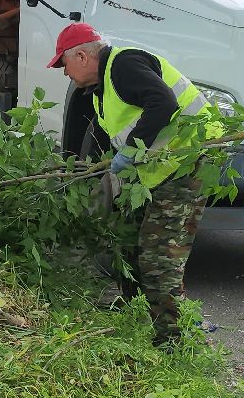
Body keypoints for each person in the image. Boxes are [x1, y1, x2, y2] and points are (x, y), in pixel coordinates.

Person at [48, 22, 217, 345]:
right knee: (127, 238)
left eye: (63, 64)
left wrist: (131, 150)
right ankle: (138, 316)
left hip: (186, 163)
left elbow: (164, 104)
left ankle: (174, 341)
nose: (63, 72)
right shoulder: (102, 87)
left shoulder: (124, 65)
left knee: (159, 256)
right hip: (160, 169)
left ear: (82, 56)